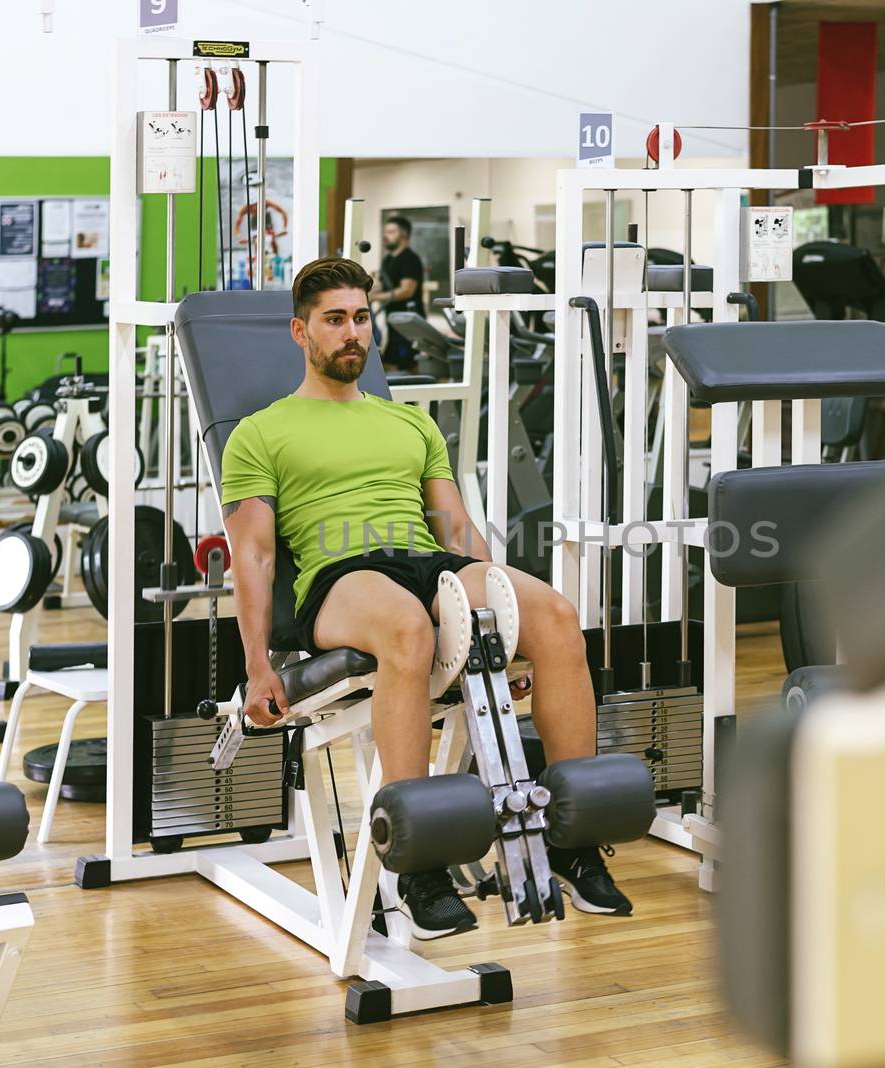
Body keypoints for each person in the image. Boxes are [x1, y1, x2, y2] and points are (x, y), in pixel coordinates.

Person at [220, 257, 632, 939]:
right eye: (334, 321)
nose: (352, 333)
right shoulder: (261, 432)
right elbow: (255, 555)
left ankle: (572, 838)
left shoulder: (408, 424)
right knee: (409, 630)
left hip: (427, 560)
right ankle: (418, 867)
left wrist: (503, 634)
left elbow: (460, 532)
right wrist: (259, 664)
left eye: (360, 318)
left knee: (556, 618)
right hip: (341, 574)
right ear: (301, 331)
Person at [368, 215, 424, 371]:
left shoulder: (410, 259)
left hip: (408, 324)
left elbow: (406, 290)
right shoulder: (388, 260)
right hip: (393, 323)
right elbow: (386, 287)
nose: (386, 236)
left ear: (404, 235)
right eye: (385, 232)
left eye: (391, 232)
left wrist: (375, 297)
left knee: (407, 366)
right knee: (391, 365)